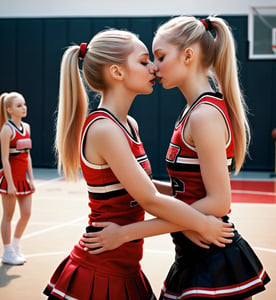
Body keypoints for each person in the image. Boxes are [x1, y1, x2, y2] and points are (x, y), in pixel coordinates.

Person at [81, 17, 271, 299]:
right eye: (149, 59)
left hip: (212, 254)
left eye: (159, 57)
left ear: (188, 55)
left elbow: (219, 202)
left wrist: (190, 223)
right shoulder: (190, 112)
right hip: (191, 252)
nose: (154, 67)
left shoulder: (204, 114)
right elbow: (178, 193)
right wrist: (192, 221)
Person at [43, 28, 233, 300]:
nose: (153, 68)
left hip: (126, 266)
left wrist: (202, 201)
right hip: (100, 267)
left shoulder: (128, 124)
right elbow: (150, 199)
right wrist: (202, 224)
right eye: (144, 61)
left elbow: (142, 187)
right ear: (117, 73)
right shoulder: (104, 129)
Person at [0, 92, 35, 265]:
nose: (24, 108)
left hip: (23, 179)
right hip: (10, 179)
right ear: (9, 110)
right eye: (19, 105)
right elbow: (5, 159)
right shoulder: (7, 129)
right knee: (8, 215)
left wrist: (32, 179)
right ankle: (7, 252)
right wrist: (11, 184)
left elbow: (27, 155)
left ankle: (16, 245)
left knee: (26, 213)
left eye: (24, 104)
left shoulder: (26, 127)